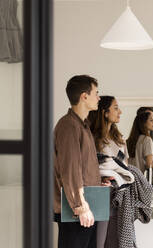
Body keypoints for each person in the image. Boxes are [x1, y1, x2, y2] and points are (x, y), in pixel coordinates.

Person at [54, 75, 107, 248]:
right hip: (76, 210)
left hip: (87, 207)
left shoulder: (83, 126)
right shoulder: (68, 126)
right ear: (84, 96)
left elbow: (83, 167)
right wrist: (80, 207)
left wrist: (99, 182)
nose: (99, 97)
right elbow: (70, 170)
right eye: (96, 93)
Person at [88, 96, 135, 248]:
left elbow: (125, 167)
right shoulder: (92, 138)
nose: (120, 111)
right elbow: (89, 167)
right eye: (115, 108)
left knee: (116, 239)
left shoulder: (120, 139)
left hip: (119, 195)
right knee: (99, 240)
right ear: (104, 112)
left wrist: (116, 176)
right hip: (99, 194)